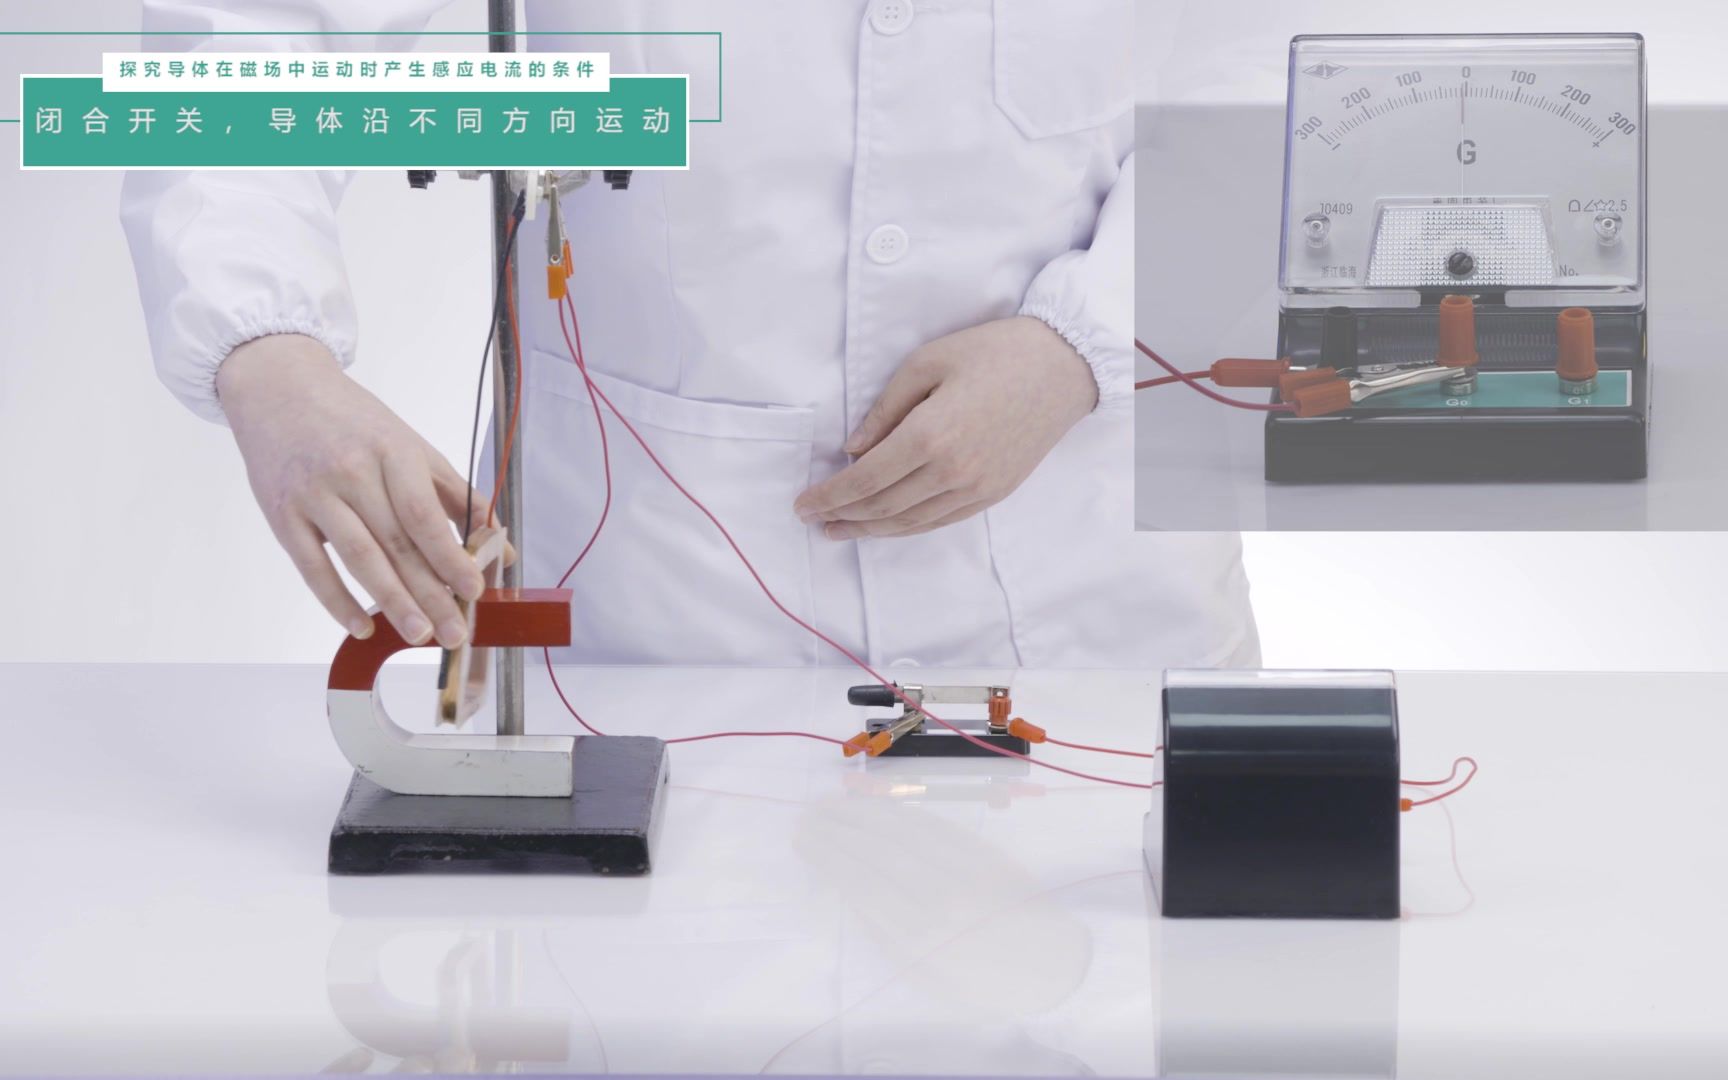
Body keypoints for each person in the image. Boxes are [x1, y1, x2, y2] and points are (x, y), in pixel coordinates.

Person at [123, 0, 1258, 669]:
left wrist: (1088, 343)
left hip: (1092, 603)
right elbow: (254, 42)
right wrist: (268, 356)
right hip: (660, 619)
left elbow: (1295, 74)